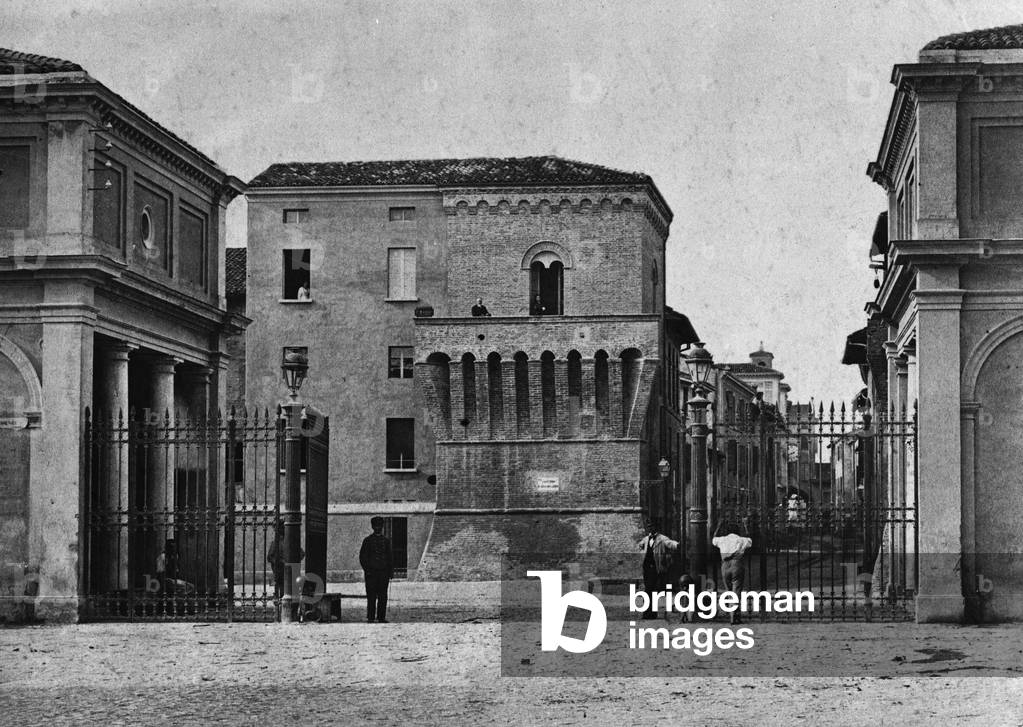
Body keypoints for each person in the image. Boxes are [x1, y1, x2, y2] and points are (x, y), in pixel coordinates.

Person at [712, 519, 753, 624]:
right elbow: (750, 540)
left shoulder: (722, 539)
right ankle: (734, 616)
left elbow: (713, 539)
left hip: (725, 565)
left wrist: (718, 526)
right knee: (737, 591)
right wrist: (745, 525)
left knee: (729, 590)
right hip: (737, 564)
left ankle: (732, 614)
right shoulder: (741, 540)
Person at [637, 520, 679, 620]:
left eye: (652, 526)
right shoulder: (647, 539)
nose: (650, 528)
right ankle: (649, 613)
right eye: (649, 526)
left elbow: (671, 544)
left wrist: (678, 545)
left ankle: (649, 614)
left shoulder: (662, 539)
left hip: (655, 569)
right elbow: (641, 544)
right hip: (646, 568)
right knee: (649, 591)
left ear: (656, 527)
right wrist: (641, 547)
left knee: (650, 591)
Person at [359, 516, 394, 623]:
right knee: (371, 595)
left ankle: (381, 617)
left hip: (383, 573)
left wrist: (390, 572)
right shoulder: (367, 541)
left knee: (383, 596)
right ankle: (370, 617)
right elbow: (362, 557)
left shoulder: (386, 541)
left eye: (380, 526)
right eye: (376, 526)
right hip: (371, 573)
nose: (378, 528)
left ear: (382, 527)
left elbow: (390, 557)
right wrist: (367, 570)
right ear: (373, 527)